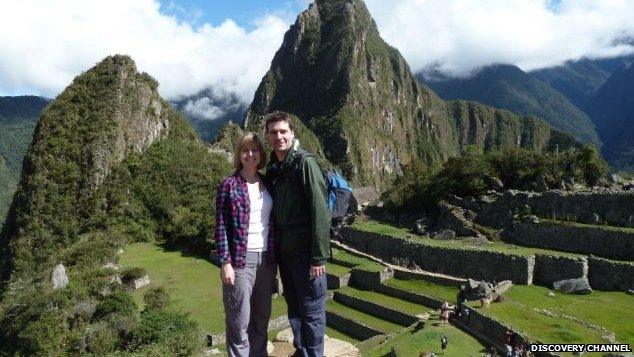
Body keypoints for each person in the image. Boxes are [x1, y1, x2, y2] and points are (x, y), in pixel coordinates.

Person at [265, 111, 331, 357]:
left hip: (306, 255)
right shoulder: (276, 168)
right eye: (273, 132)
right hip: (286, 254)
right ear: (268, 136)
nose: (279, 136)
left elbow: (320, 211)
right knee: (294, 309)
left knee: (312, 310)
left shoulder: (305, 163)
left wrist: (318, 258)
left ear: (292, 133)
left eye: (283, 131)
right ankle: (302, 351)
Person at [214, 133, 276, 357]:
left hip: (267, 260)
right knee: (239, 322)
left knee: (261, 319)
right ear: (239, 154)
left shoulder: (268, 183)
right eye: (245, 150)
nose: (250, 154)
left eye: (255, 150)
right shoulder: (229, 185)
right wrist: (225, 263)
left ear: (261, 154)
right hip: (240, 261)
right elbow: (221, 225)